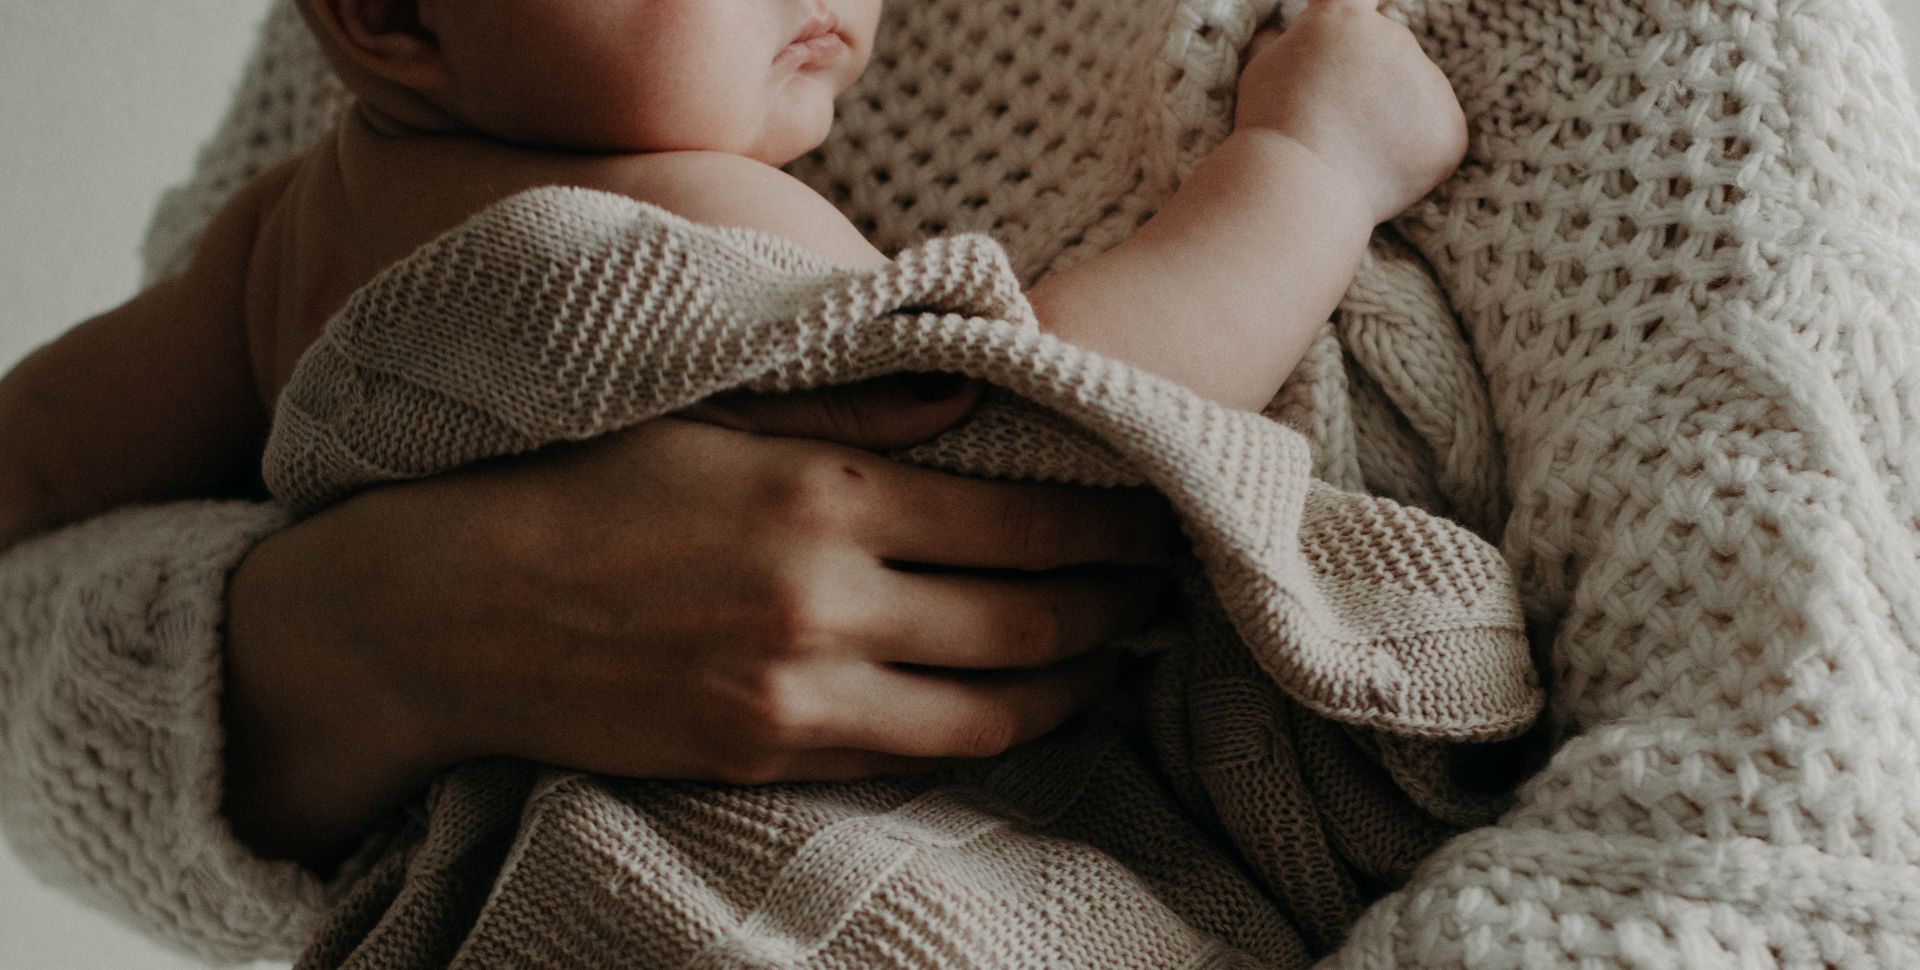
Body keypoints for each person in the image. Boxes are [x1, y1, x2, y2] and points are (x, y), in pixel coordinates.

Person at [1, 0, 1463, 866]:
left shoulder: (269, 251)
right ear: (391, 17)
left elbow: (41, 461)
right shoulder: (685, 219)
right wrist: (1307, 169)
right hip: (792, 872)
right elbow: (1059, 418)